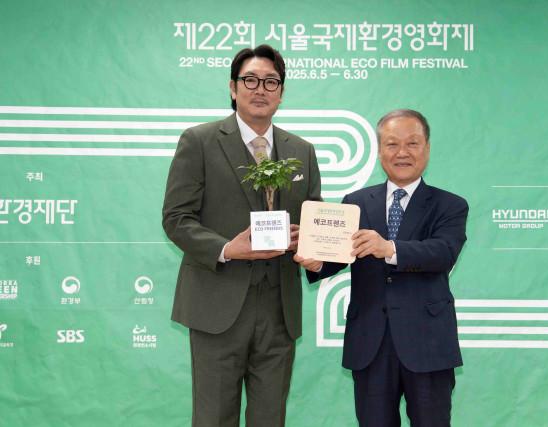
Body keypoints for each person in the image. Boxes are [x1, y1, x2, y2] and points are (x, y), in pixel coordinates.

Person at [162, 44, 321, 427]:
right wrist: (226, 248)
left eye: (271, 81)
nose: (260, 89)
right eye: (250, 80)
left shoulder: (302, 151)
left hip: (279, 311)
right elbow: (176, 218)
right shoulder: (199, 141)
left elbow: (314, 220)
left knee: (270, 418)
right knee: (214, 418)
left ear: (281, 92)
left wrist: (310, 244)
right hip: (217, 307)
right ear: (233, 88)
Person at [295, 109, 468, 427]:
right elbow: (340, 253)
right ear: (379, 151)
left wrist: (389, 248)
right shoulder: (356, 201)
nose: (402, 152)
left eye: (412, 143)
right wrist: (317, 262)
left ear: (427, 148)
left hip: (427, 344)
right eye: (392, 144)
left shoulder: (450, 205)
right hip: (370, 343)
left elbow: (443, 252)